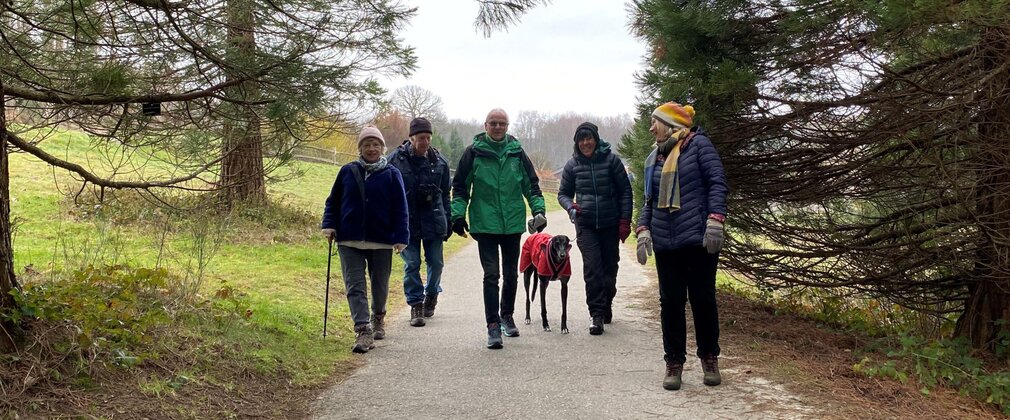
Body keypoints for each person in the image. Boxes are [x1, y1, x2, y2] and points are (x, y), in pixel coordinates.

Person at [636, 102, 728, 390]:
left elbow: (717, 182)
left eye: (655, 122)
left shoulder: (699, 146)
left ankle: (709, 357)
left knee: (703, 300)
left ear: (671, 123)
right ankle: (673, 363)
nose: (651, 128)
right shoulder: (655, 157)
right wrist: (642, 229)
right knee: (671, 304)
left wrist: (715, 220)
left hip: (698, 239)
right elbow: (649, 200)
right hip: (666, 243)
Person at [450, 108, 547, 349]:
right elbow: (461, 187)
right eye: (493, 123)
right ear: (485, 125)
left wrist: (539, 210)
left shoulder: (517, 153)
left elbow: (531, 185)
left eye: (502, 123)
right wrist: (457, 215)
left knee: (512, 274)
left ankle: (507, 316)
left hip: (512, 223)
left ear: (507, 126)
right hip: (485, 224)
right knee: (491, 274)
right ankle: (493, 325)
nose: (497, 127)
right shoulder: (473, 153)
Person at [321, 125, 409, 354]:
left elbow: (401, 208)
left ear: (382, 147)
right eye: (367, 145)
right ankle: (363, 330)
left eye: (376, 144)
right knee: (354, 285)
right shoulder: (347, 171)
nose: (372, 149)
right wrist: (329, 225)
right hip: (349, 239)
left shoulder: (392, 174)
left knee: (380, 283)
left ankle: (378, 316)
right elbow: (333, 201)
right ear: (360, 148)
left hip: (381, 239)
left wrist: (401, 237)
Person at [557, 122, 633, 335]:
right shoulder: (572, 165)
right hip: (586, 225)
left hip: (610, 224)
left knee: (609, 270)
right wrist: (570, 206)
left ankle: (607, 301)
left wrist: (624, 221)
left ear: (596, 139)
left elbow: (625, 192)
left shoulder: (612, 161)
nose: (585, 143)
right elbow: (562, 194)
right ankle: (596, 314)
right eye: (581, 139)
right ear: (576, 143)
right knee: (593, 269)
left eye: (589, 138)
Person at [388, 117, 451, 327]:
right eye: (420, 138)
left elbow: (445, 196)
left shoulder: (440, 163)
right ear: (411, 138)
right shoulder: (395, 160)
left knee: (436, 262)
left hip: (434, 220)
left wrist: (448, 221)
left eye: (428, 137)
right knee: (412, 263)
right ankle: (416, 304)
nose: (424, 142)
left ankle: (431, 294)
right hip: (407, 222)